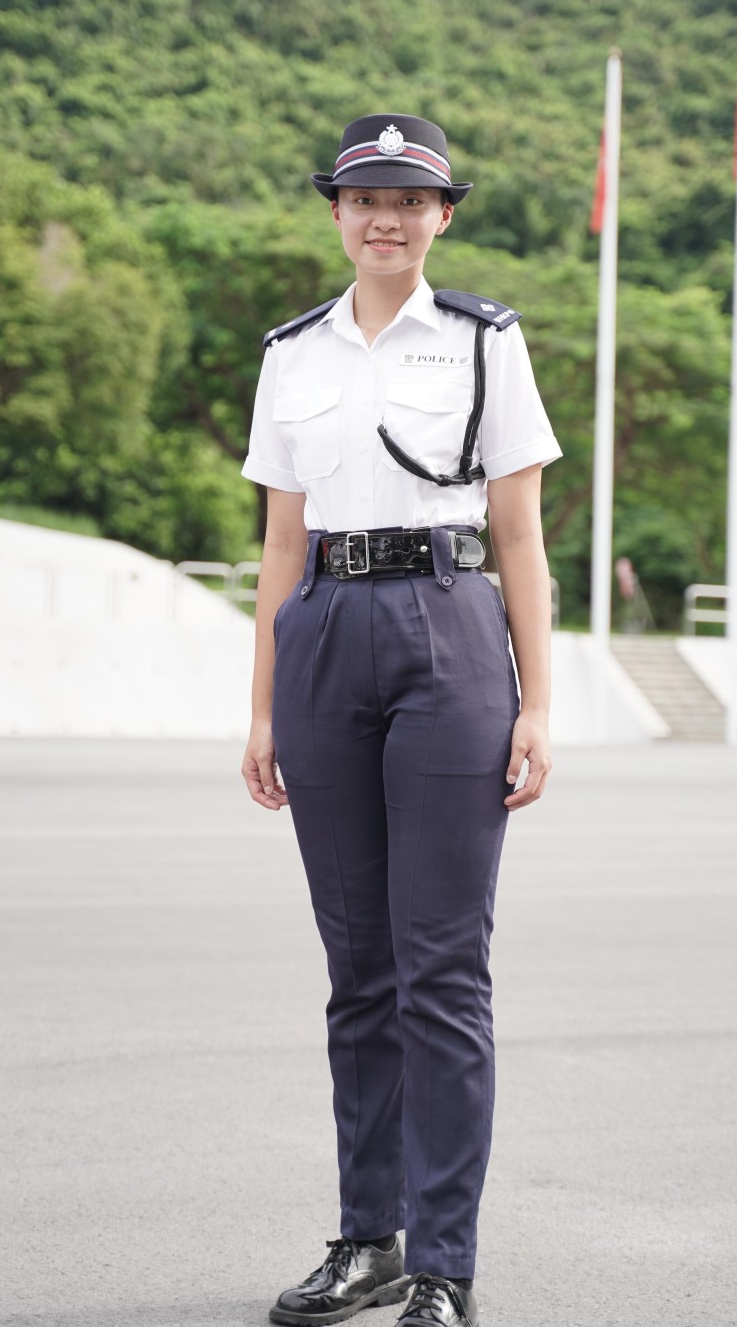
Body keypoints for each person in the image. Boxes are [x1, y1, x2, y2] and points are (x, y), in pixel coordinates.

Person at [240, 113, 561, 1327]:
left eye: (409, 199)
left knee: (440, 968)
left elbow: (520, 534)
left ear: (441, 215)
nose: (385, 216)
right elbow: (279, 541)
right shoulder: (293, 353)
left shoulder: (486, 342)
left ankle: (443, 1264)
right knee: (356, 971)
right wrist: (263, 705)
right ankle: (366, 1241)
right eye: (363, 195)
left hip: (449, 627)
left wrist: (539, 703)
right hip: (322, 631)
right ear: (334, 210)